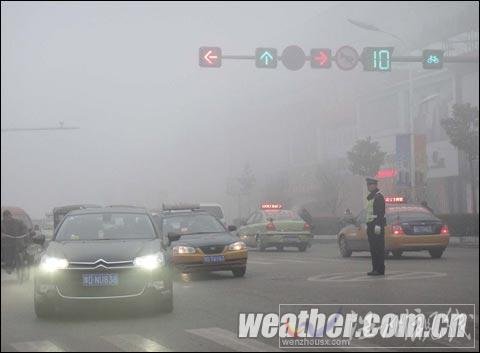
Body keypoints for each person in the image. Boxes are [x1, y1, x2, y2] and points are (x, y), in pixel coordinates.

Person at [365, 178, 386, 276]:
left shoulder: (378, 197)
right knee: (373, 249)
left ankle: (379, 269)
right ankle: (375, 268)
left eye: (371, 185)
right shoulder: (371, 197)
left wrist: (378, 225)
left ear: (375, 185)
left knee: (378, 248)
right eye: (368, 185)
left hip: (376, 225)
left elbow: (380, 212)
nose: (369, 187)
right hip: (371, 225)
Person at [1, 210, 28, 274]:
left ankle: (24, 263)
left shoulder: (18, 222)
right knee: (8, 252)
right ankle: (9, 266)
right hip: (7, 241)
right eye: (6, 217)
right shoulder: (2, 223)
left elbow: (24, 227)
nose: (8, 218)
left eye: (9, 216)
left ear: (11, 215)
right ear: (4, 217)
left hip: (18, 240)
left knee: (25, 250)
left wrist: (25, 233)